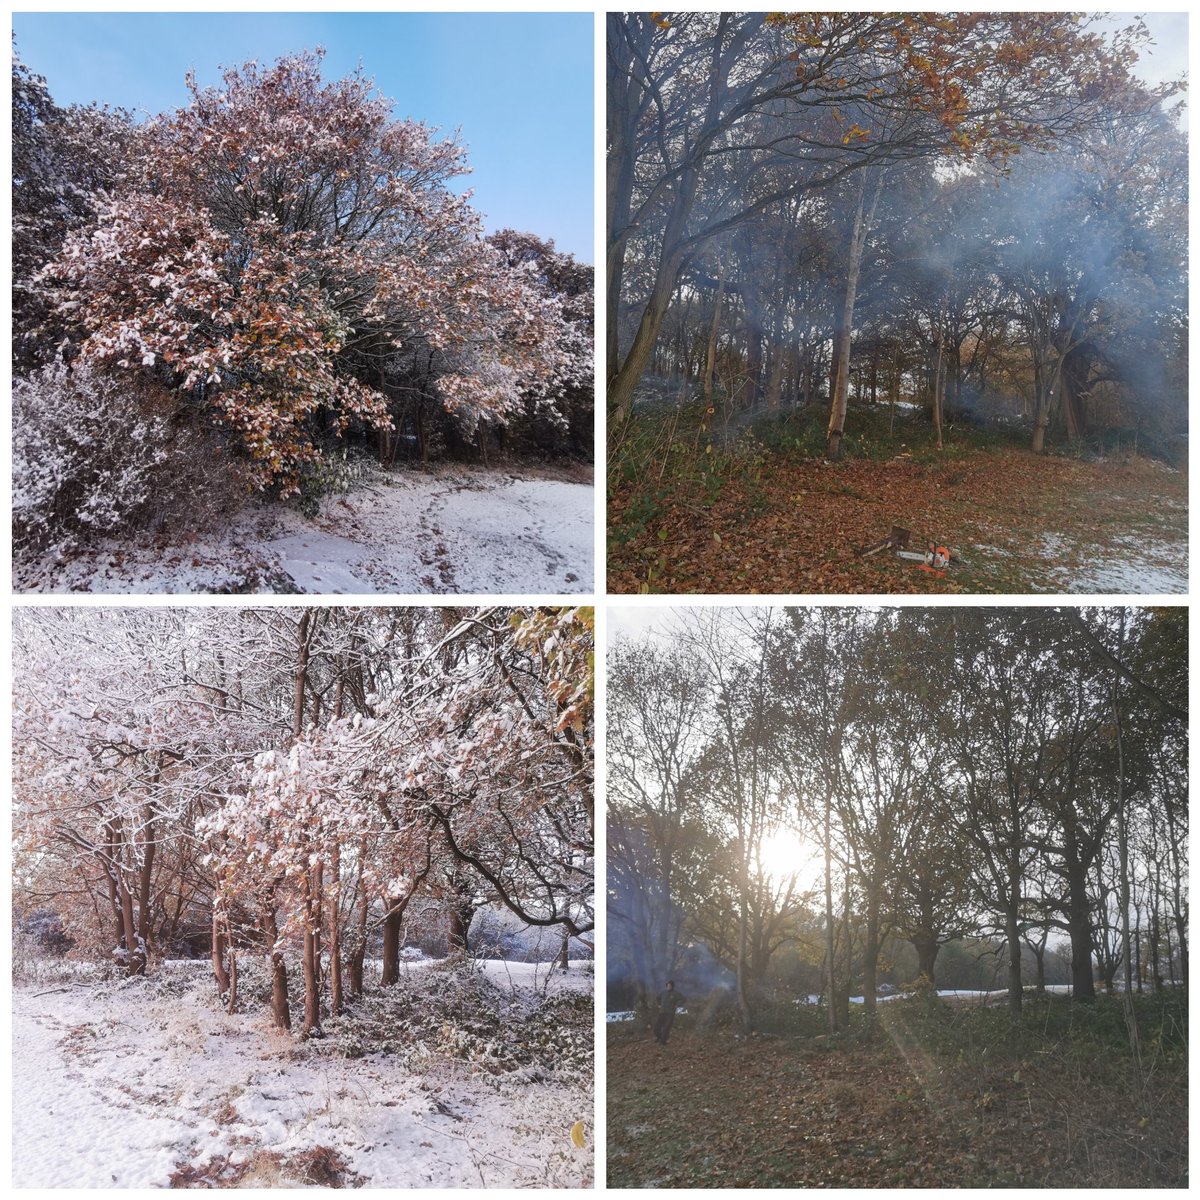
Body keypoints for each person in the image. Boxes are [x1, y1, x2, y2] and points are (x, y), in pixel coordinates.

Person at [653, 979, 685, 1045]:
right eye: (667, 986)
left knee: (666, 1028)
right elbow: (657, 998)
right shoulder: (663, 993)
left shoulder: (676, 993)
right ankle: (659, 1037)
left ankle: (663, 1042)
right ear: (666, 986)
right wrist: (659, 1004)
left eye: (670, 986)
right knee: (656, 1028)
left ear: (672, 986)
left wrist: (677, 1005)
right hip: (662, 1013)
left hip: (670, 1014)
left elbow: (683, 999)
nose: (669, 987)